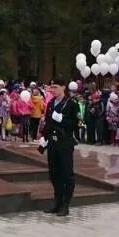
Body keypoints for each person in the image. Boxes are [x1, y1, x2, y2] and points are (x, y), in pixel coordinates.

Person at [37, 80, 78, 216]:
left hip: (65, 143)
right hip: (53, 144)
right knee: (54, 174)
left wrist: (62, 120)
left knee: (67, 174)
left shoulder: (71, 104)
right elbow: (48, 123)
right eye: (52, 87)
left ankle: (65, 204)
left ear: (63, 88)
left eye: (56, 87)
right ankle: (57, 201)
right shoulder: (50, 104)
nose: (53, 90)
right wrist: (44, 137)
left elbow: (77, 124)